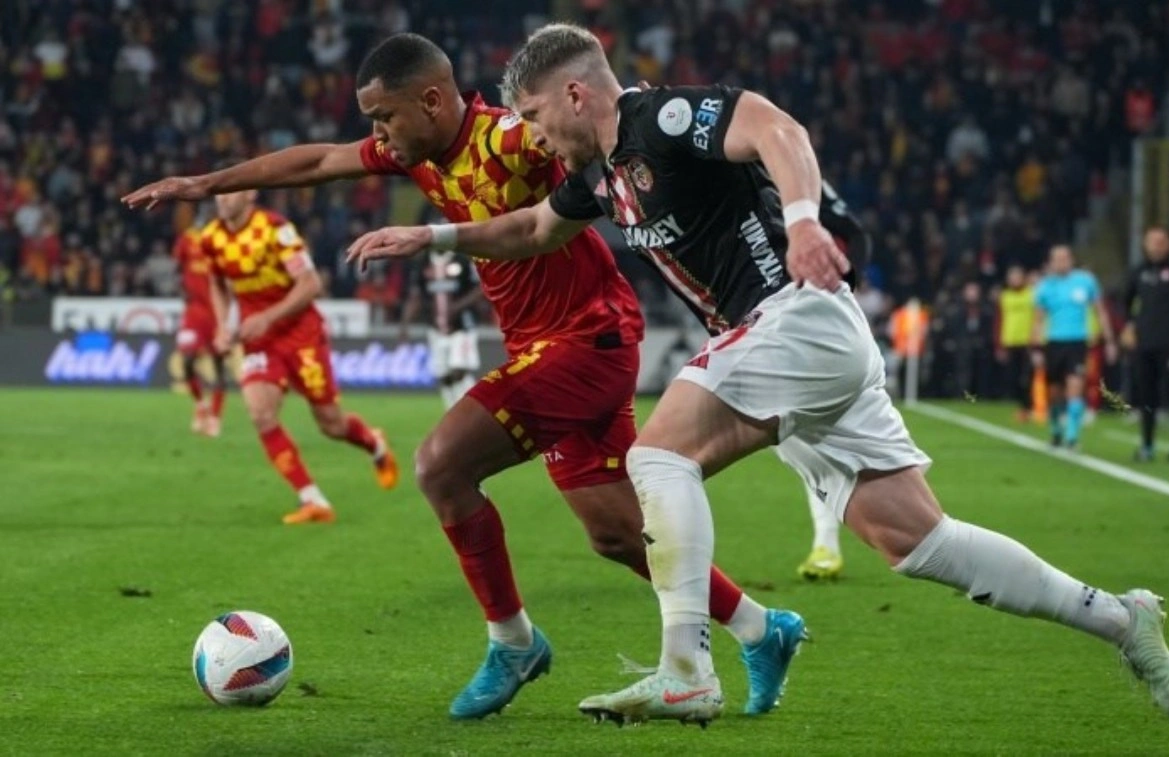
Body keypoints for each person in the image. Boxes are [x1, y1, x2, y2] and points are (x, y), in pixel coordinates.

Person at [346, 23, 1169, 726]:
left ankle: (686, 669)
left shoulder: (659, 117)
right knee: (916, 541)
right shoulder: (602, 175)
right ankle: (1123, 619)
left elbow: (779, 129)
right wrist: (434, 237)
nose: (530, 136)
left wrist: (803, 221)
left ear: (574, 94)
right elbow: (533, 229)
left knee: (657, 456)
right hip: (796, 343)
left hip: (794, 317)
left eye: (533, 115)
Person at [123, 33, 796, 720]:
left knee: (441, 465)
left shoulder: (513, 137)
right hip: (550, 345)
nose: (377, 135)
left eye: (384, 117)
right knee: (617, 533)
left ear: (432, 101)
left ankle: (513, 641)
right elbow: (320, 161)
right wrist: (206, 184)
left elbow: (592, 133)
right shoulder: (414, 154)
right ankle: (760, 628)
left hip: (586, 339)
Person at [203, 191, 398, 523]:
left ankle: (374, 443)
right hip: (259, 340)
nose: (222, 200)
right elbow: (217, 282)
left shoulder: (275, 230)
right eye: (219, 194)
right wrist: (223, 325)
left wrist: (268, 317)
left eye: (230, 191)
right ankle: (312, 499)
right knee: (261, 414)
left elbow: (310, 285)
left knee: (331, 424)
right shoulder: (211, 237)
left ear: (250, 193)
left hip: (301, 335)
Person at [793, 180, 871, 581]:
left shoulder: (799, 177)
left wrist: (846, 285)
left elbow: (854, 232)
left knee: (805, 437)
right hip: (781, 317)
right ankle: (827, 541)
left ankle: (828, 542)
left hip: (816, 316)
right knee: (801, 439)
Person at [1122, 227, 1169, 462]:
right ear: (1145, 245)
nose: (1156, 246)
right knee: (1146, 396)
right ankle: (1147, 446)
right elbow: (1126, 303)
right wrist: (1129, 326)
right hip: (1144, 344)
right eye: (1151, 241)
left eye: (1160, 241)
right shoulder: (1138, 272)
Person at [1033, 245, 1117, 450]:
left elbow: (1100, 311)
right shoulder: (1045, 286)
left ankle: (1072, 436)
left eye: (1064, 258)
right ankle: (1056, 430)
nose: (1061, 262)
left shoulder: (1085, 281)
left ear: (1071, 260)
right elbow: (1038, 319)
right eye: (1057, 259)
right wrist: (1035, 348)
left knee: (1075, 387)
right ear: (1051, 262)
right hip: (1053, 342)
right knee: (1054, 392)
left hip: (1077, 342)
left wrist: (1109, 340)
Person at [400, 246, 484, 408]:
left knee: (459, 370)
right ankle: (452, 411)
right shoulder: (423, 262)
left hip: (462, 326)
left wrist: (458, 306)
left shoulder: (461, 260)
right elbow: (416, 296)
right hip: (435, 328)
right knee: (444, 376)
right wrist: (405, 325)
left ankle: (471, 409)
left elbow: (480, 288)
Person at [172, 224, 228, 436]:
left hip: (217, 312)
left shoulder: (224, 240)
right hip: (194, 311)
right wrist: (182, 290)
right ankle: (201, 405)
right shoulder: (187, 239)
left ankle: (215, 418)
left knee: (219, 365)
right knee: (187, 360)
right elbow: (176, 269)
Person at [997, 265, 1035, 422]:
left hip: (1027, 342)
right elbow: (1000, 320)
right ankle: (1022, 406)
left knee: (1027, 377)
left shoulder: (1032, 294)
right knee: (1014, 377)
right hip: (1010, 341)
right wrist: (1000, 343)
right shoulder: (1005, 296)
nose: (1014, 280)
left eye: (1017, 277)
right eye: (1011, 277)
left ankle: (1030, 407)